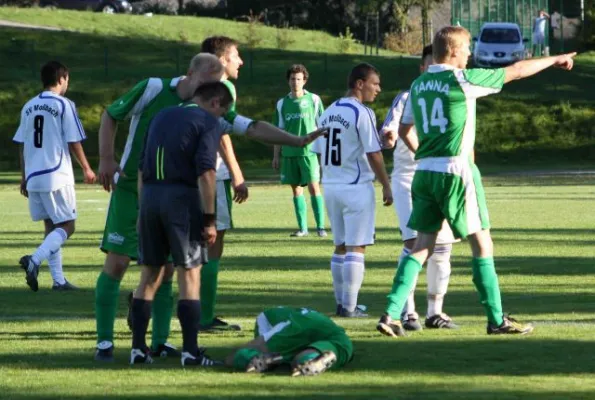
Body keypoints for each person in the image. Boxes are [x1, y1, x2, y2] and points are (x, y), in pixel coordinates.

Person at [377, 26, 576, 338]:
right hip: (456, 171)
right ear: (454, 51)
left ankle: (390, 314)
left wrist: (426, 155)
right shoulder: (461, 79)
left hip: (425, 173)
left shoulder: (418, 84)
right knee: (482, 243)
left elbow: (405, 130)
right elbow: (518, 70)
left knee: (421, 246)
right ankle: (496, 319)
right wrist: (555, 59)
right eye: (467, 49)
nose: (470, 55)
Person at [94, 53, 225, 362]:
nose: (210, 90)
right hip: (132, 189)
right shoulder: (152, 88)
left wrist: (298, 141)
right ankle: (104, 342)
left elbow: (249, 127)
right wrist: (106, 157)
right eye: (207, 82)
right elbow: (111, 114)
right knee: (118, 264)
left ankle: (160, 341)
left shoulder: (201, 111)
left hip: (158, 194)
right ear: (190, 73)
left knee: (164, 270)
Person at [130, 81, 233, 366]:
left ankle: (138, 349)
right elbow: (206, 173)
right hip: (181, 200)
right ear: (215, 103)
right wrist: (210, 219)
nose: (220, 117)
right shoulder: (207, 122)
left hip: (150, 197)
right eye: (222, 111)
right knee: (190, 274)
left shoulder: (161, 115)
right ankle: (191, 351)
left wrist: (141, 210)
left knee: (149, 276)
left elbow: (141, 167)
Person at [381, 45, 458, 333]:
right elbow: (391, 128)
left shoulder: (453, 93)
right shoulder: (408, 94)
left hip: (441, 176)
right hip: (409, 177)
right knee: (414, 244)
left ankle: (435, 312)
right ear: (422, 68)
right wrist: (388, 136)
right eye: (428, 65)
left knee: (443, 248)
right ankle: (407, 312)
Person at [312, 63, 393, 318]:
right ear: (360, 84)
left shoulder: (327, 111)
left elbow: (317, 150)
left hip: (332, 186)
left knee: (340, 246)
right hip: (356, 187)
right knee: (357, 247)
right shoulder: (362, 112)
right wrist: (386, 185)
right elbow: (373, 153)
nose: (378, 89)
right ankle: (349, 307)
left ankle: (341, 303)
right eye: (375, 83)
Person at [13, 61, 96, 292]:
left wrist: (24, 177)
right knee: (68, 226)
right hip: (56, 174)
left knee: (51, 227)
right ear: (61, 79)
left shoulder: (28, 106)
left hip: (33, 176)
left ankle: (58, 280)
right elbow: (73, 140)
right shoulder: (64, 104)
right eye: (67, 79)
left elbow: (21, 144)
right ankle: (34, 260)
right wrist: (87, 168)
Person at [198, 36, 247, 332]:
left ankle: (145, 298)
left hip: (186, 174)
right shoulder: (224, 88)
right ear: (222, 60)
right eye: (236, 56)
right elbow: (221, 132)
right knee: (213, 243)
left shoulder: (194, 86)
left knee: (188, 244)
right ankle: (204, 317)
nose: (240, 61)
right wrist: (237, 172)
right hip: (213, 175)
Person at [272, 64, 326, 238]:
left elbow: (323, 127)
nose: (295, 82)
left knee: (314, 188)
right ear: (288, 81)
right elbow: (278, 131)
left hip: (309, 152)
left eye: (298, 79)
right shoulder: (282, 103)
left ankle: (321, 227)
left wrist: (323, 152)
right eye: (292, 79)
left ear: (304, 80)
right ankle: (303, 228)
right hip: (289, 153)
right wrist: (276, 155)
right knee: (296, 190)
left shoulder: (314, 100)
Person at [225, 306, 353, 376]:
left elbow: (256, 343)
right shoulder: (302, 313)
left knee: (235, 356)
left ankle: (264, 359)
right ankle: (317, 359)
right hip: (337, 335)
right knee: (307, 356)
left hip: (297, 324)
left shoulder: (267, 317)